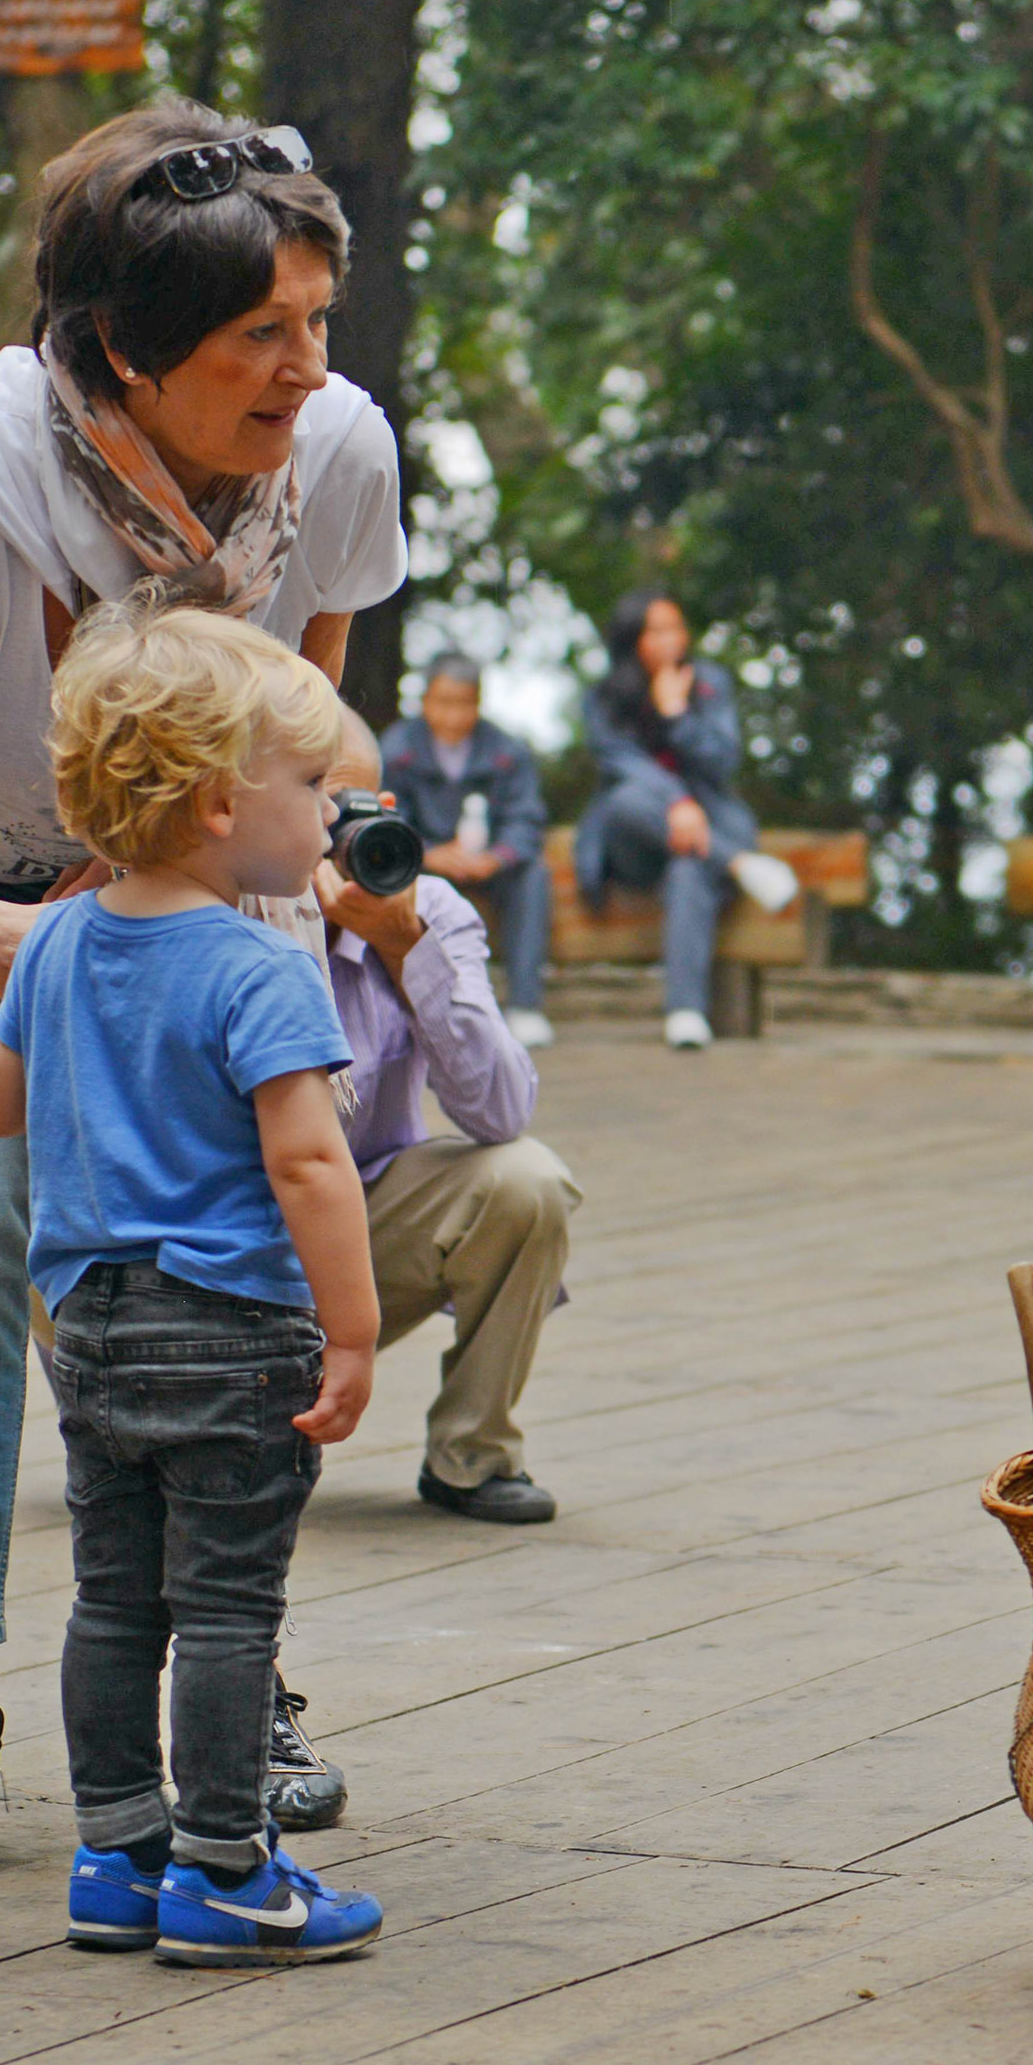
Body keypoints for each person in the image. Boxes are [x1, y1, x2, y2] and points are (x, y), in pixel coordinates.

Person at [0, 99, 404, 1883]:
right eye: (260, 335)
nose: (307, 372)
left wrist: (343, 869)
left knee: (227, 1239)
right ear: (126, 347)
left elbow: (304, 730)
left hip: (188, 882)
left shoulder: (335, 451)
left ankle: (231, 1673)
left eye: (318, 322)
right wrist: (35, 950)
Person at [0, 598, 386, 1967]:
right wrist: (355, 1330)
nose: (329, 811)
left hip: (89, 1331)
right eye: (310, 783)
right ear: (217, 804)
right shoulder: (261, 967)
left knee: (115, 1600)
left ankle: (115, 1857)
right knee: (226, 1610)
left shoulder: (54, 944)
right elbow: (310, 1164)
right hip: (232, 1333)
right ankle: (223, 1870)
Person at [322, 712, 578, 1528]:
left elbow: (501, 1109)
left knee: (526, 1181)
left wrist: (404, 949)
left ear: (386, 806)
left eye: (343, 807)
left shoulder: (428, 905)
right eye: (302, 800)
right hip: (217, 1243)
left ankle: (472, 1455)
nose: (329, 833)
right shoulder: (217, 901)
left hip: (360, 1228)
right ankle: (133, 1443)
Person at [575, 589, 801, 1051]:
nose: (670, 639)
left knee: (688, 866)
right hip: (635, 842)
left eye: (675, 627)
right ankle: (739, 863)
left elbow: (723, 762)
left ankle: (685, 1012)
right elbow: (623, 766)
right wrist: (677, 802)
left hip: (700, 838)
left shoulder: (709, 684)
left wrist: (677, 714)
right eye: (655, 630)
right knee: (627, 800)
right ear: (632, 639)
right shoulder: (603, 699)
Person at [379, 654, 556, 1046]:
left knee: (533, 875)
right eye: (444, 702)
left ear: (478, 704)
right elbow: (387, 820)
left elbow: (526, 818)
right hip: (423, 864)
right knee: (388, 879)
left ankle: (525, 1006)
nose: (454, 716)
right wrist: (427, 854)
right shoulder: (396, 749)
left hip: (488, 866)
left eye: (465, 703)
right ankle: (405, 1006)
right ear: (425, 701)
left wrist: (497, 857)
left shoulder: (507, 750)